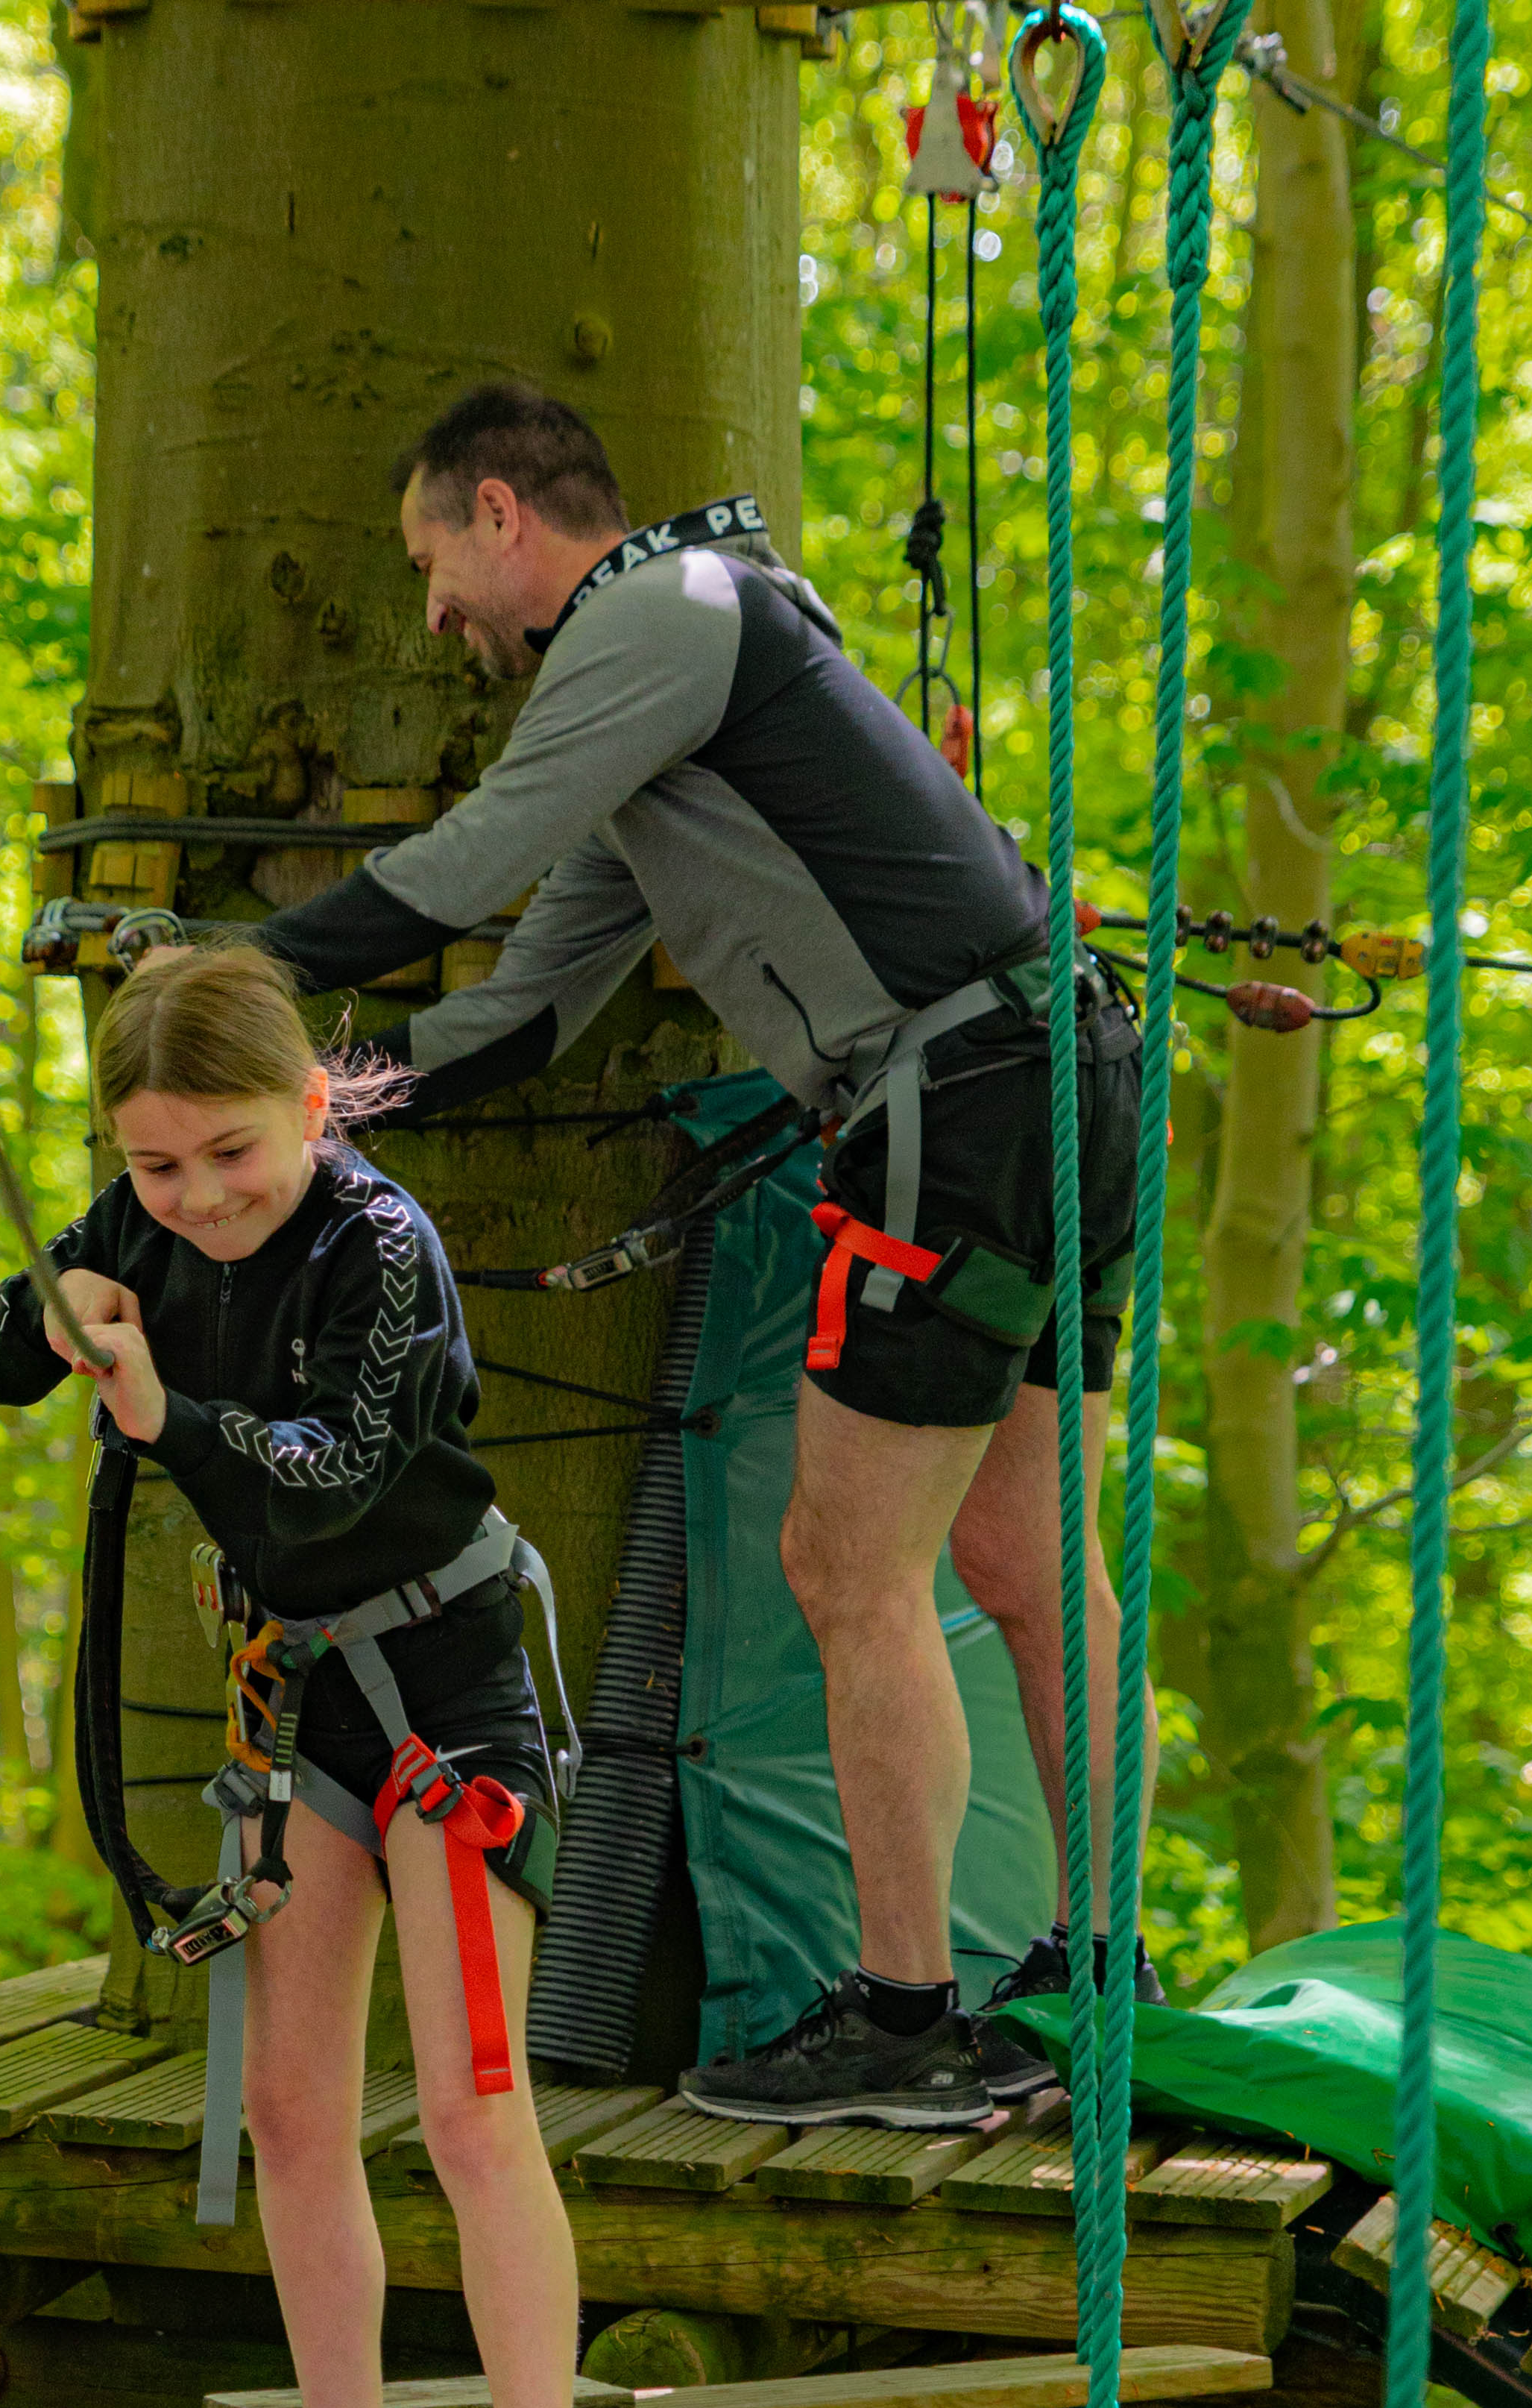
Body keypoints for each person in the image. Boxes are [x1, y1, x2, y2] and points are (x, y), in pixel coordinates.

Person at [253, 382, 1162, 2132]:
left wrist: (216, 971)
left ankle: (910, 2015)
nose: (434, 610)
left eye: (433, 558)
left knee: (845, 1561)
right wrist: (299, 1108)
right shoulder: (676, 722)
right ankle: (1101, 1971)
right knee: (1030, 1561)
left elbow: (461, 869)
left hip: (956, 1095)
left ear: (505, 512)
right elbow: (514, 1013)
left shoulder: (670, 611)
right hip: (1060, 1075)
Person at [0, 939, 602, 2408]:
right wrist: (57, 1305)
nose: (198, 1197)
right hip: (299, 1697)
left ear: (313, 1106)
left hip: (448, 1695)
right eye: (156, 1165)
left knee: (474, 2107)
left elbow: (334, 1471)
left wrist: (164, 1408)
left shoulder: (382, 1245)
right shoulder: (140, 1217)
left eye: (233, 1152)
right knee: (289, 2110)